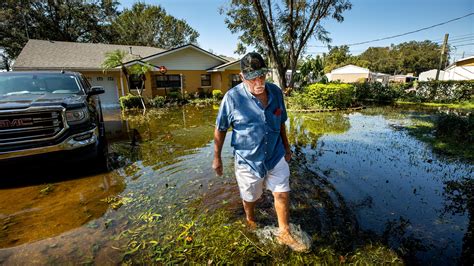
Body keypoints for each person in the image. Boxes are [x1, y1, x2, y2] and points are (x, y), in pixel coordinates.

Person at [212, 52, 307, 252]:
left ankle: (284, 232)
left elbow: (280, 122)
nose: (259, 81)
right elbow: (220, 129)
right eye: (253, 77)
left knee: (282, 193)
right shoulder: (232, 98)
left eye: (262, 75)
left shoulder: (276, 93)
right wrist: (217, 158)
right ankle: (250, 218)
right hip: (248, 160)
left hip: (275, 154)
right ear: (242, 76)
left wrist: (287, 148)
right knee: (251, 197)